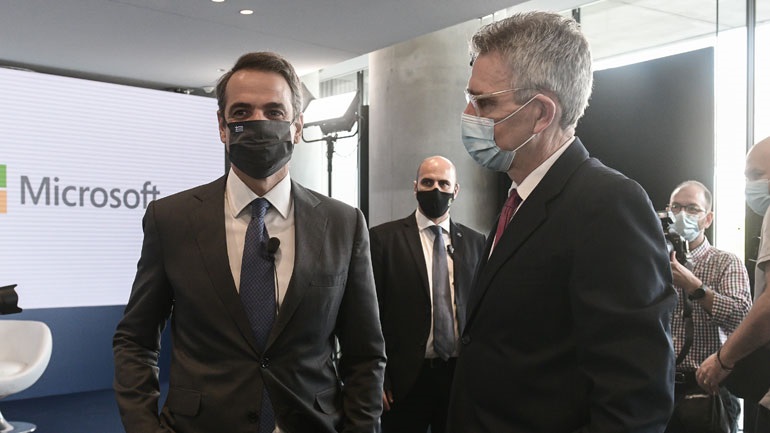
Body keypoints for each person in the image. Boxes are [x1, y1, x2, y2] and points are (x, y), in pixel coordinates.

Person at [113, 52, 386, 433]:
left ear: (297, 126)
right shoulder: (171, 219)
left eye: (274, 112)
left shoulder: (343, 224)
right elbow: (135, 339)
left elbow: (365, 354)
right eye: (242, 112)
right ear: (222, 127)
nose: (259, 123)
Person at [447, 11, 677, 432]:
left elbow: (633, 402)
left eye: (485, 102)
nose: (468, 113)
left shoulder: (608, 205)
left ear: (541, 113)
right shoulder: (520, 197)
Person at [369, 156, 485, 433]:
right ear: (415, 187)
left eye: (444, 183)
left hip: (459, 378)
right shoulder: (383, 240)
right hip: (404, 379)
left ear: (455, 190)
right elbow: (370, 316)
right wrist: (377, 377)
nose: (436, 189)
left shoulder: (476, 242)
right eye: (428, 182)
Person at [664, 181, 751, 433]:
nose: (682, 214)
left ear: (708, 218)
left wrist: (695, 286)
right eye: (676, 207)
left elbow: (741, 318)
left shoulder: (726, 262)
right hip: (658, 387)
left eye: (692, 209)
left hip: (707, 389)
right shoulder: (653, 260)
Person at [698, 136, 770, 430]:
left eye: (756, 175)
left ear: (708, 217)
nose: (749, 186)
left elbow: (761, 308)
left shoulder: (725, 262)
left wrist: (722, 360)